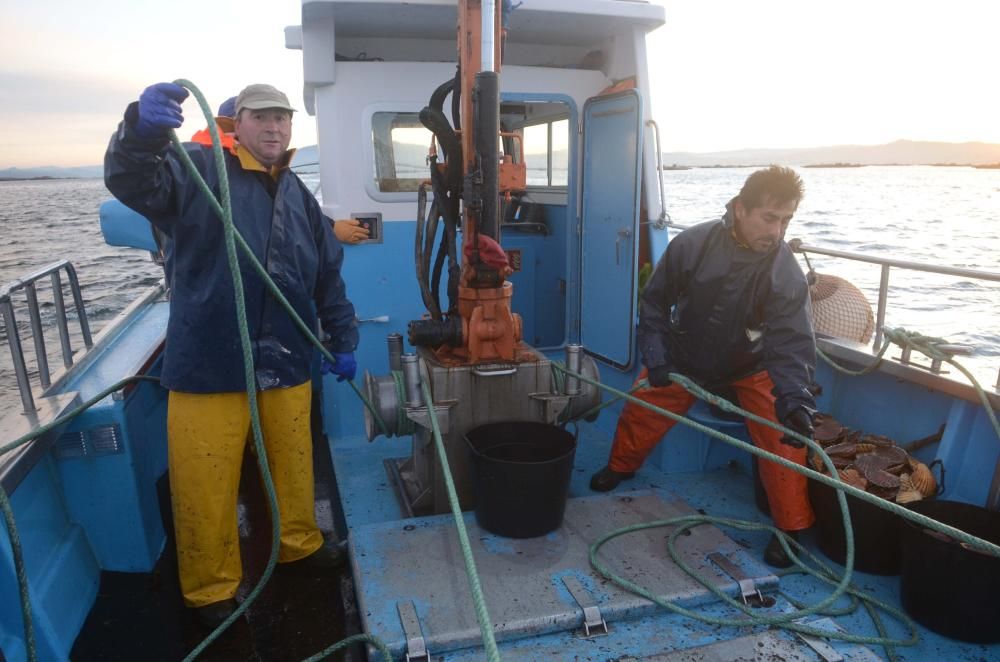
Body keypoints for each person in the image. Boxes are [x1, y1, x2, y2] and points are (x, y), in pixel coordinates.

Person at [105, 82, 359, 627]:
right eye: (261, 118)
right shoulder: (196, 169)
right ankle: (210, 590)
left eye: (282, 119)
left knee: (294, 463)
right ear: (235, 124)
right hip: (208, 361)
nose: (274, 128)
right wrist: (140, 130)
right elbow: (132, 178)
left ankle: (299, 545)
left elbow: (327, 275)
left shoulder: (297, 194)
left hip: (287, 360)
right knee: (205, 481)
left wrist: (344, 340)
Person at [589, 165, 817, 568]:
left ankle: (792, 527)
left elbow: (791, 341)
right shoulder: (692, 244)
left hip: (751, 364)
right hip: (686, 355)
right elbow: (655, 303)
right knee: (642, 407)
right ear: (741, 209)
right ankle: (619, 467)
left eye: (785, 221)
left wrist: (796, 400)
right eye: (769, 218)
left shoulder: (785, 272)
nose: (777, 232)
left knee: (785, 439)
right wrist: (657, 358)